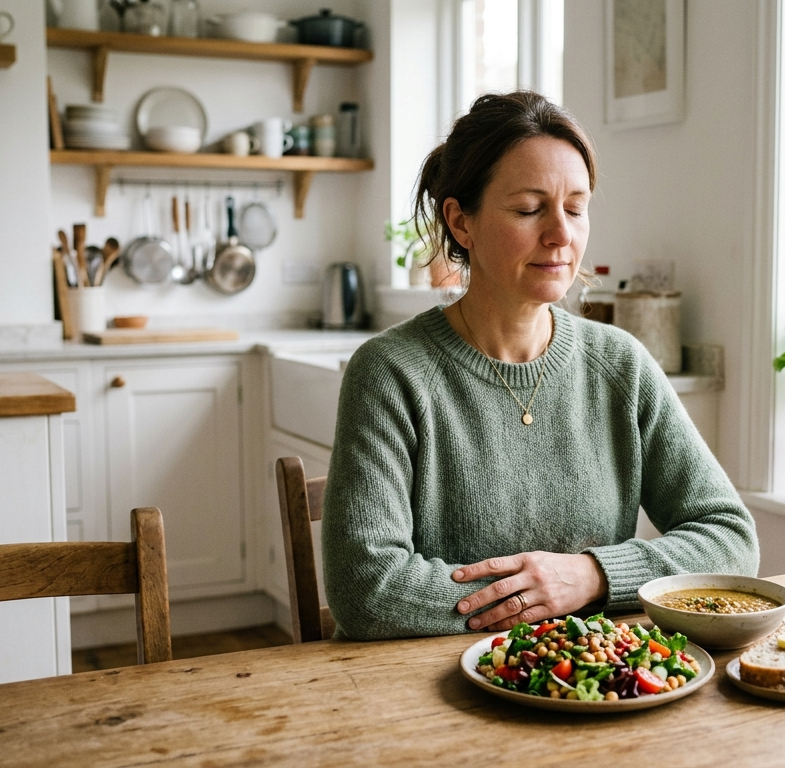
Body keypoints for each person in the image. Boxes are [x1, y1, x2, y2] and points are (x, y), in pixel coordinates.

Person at [322, 91, 759, 640]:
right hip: (422, 683)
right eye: (529, 209)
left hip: (587, 679)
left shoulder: (620, 365)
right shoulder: (390, 373)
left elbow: (731, 539)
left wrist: (591, 576)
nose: (561, 234)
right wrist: (537, 595)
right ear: (461, 222)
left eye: (575, 208)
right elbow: (366, 589)